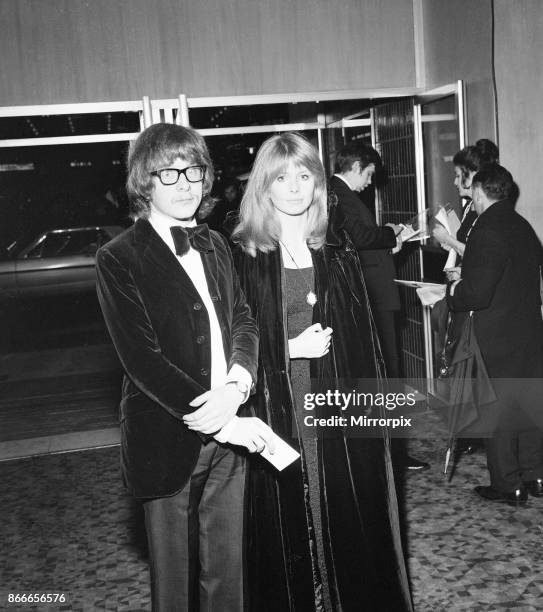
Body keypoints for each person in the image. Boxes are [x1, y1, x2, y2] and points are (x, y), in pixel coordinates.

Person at [95, 123, 275, 611]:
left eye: (193, 171)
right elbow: (141, 359)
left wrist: (237, 386)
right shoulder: (117, 258)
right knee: (173, 587)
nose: (185, 183)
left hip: (231, 427)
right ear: (144, 181)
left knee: (228, 576)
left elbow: (242, 318)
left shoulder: (215, 242)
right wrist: (214, 414)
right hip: (168, 436)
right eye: (169, 173)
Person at [232, 133, 413, 611]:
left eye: (304, 175)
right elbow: (229, 348)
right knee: (289, 517)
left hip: (332, 408)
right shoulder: (244, 258)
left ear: (318, 184)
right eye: (281, 177)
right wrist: (289, 348)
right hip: (274, 405)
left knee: (341, 511)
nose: (293, 187)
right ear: (264, 187)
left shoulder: (338, 253)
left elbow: (363, 347)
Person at [447, 164, 543, 506]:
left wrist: (451, 291)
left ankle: (508, 485)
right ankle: (535, 475)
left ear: (480, 190)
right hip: (529, 331)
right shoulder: (522, 225)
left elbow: (477, 294)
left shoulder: (486, 229)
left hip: (496, 335)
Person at [330, 142, 429, 472]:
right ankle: (393, 455)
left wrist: (390, 241)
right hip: (371, 296)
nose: (371, 182)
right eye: (369, 174)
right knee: (387, 371)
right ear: (357, 166)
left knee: (386, 371)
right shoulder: (339, 194)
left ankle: (392, 452)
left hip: (373, 292)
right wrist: (390, 233)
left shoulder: (341, 194)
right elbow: (360, 237)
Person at [432, 139, 500, 271]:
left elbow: (477, 255)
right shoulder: (469, 206)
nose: (455, 182)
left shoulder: (486, 210)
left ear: (472, 174)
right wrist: (451, 244)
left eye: (458, 176)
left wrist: (448, 239)